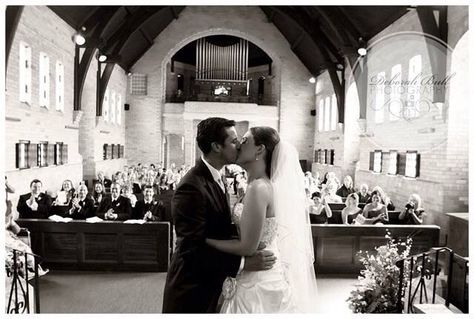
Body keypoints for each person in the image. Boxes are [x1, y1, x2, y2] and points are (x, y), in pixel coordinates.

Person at [162, 118, 275, 313]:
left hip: (213, 282)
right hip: (191, 290)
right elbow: (191, 249)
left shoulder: (218, 176)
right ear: (216, 146)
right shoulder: (191, 186)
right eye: (233, 141)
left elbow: (217, 229)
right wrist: (243, 262)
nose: (238, 144)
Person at [205, 126, 318, 313]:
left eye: (245, 140)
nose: (239, 144)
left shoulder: (259, 188)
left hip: (259, 280)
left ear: (260, 149)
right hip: (258, 269)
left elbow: (248, 247)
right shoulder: (256, 185)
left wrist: (206, 241)